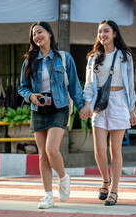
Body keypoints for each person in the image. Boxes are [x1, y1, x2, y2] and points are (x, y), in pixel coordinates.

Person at [18, 21, 91, 209]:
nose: (37, 36)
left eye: (40, 32)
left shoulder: (64, 58)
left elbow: (74, 86)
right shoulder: (29, 61)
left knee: (51, 149)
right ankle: (48, 196)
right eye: (34, 34)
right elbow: (22, 87)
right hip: (38, 109)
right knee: (42, 154)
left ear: (49, 34)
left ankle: (63, 178)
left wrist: (82, 107)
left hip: (59, 106)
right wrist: (30, 96)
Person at [82, 20, 136, 206]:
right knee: (99, 148)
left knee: (115, 149)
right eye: (100, 31)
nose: (102, 34)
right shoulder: (93, 57)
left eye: (106, 31)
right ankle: (105, 181)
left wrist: (132, 109)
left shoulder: (124, 56)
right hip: (100, 104)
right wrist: (87, 104)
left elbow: (130, 85)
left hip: (120, 102)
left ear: (115, 33)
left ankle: (114, 190)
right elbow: (89, 84)